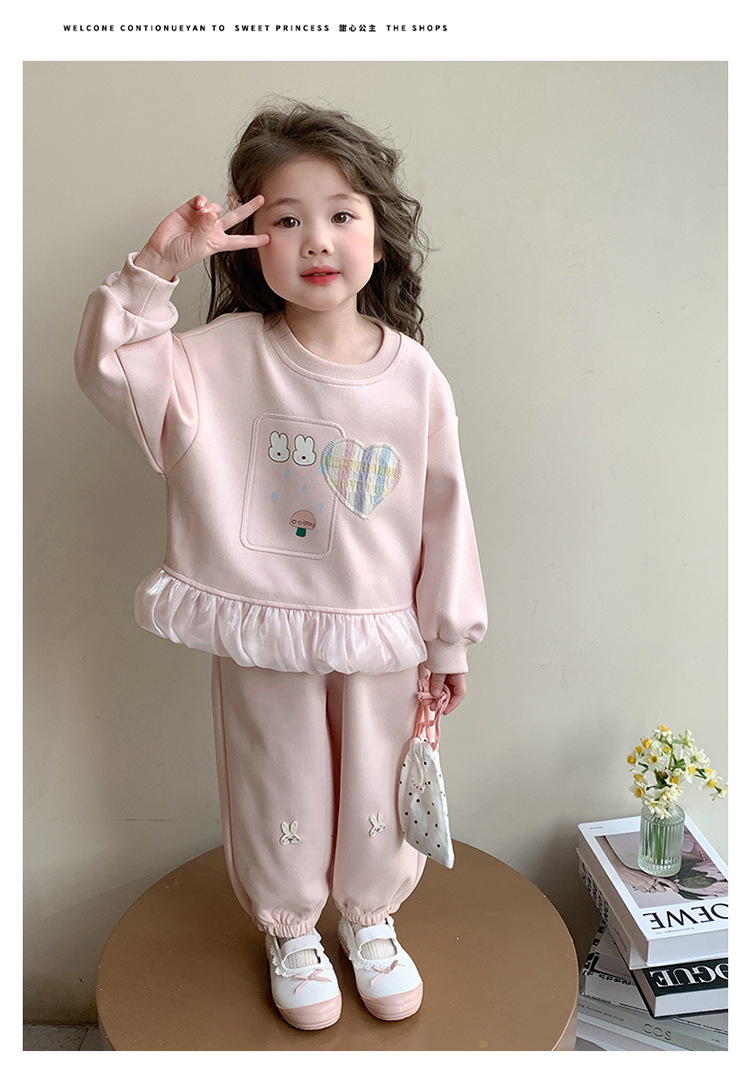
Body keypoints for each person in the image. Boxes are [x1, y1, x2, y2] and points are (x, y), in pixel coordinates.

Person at [75, 100, 487, 1031]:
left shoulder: (414, 376)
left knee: (381, 775)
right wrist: (158, 265)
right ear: (252, 240)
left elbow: (446, 512)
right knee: (278, 772)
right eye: (287, 219)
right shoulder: (217, 359)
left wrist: (449, 639)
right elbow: (112, 369)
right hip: (263, 620)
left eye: (341, 213)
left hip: (381, 629)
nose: (317, 240)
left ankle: (371, 918)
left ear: (379, 234)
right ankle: (292, 930)